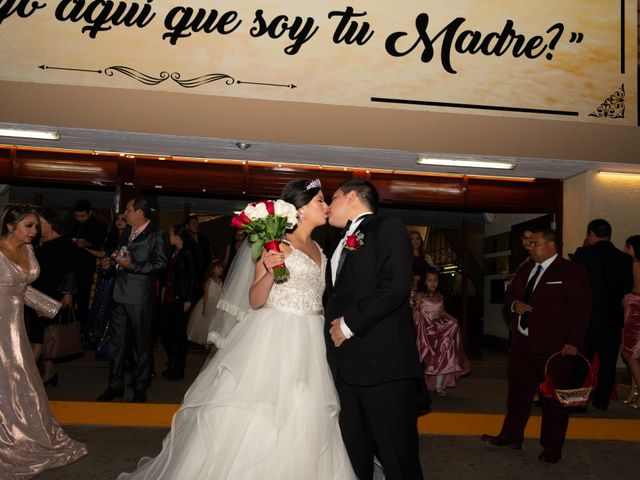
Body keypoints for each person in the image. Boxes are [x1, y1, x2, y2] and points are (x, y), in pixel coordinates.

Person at [118, 178, 355, 479]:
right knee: (262, 412)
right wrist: (269, 270)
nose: (326, 205)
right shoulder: (277, 244)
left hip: (311, 338)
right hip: (276, 336)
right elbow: (255, 300)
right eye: (320, 200)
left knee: (306, 411)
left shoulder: (321, 249)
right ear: (301, 209)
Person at [325, 179, 424, 480]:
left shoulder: (387, 227)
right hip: (345, 368)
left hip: (383, 366)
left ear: (351, 196)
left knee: (398, 456)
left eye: (332, 198)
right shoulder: (336, 241)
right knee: (355, 454)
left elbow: (394, 286)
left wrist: (349, 324)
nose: (328, 206)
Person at [481, 228, 591, 464]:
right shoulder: (526, 268)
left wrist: (573, 342)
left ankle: (551, 448)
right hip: (522, 343)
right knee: (518, 394)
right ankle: (511, 436)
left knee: (553, 401)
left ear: (551, 246)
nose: (530, 246)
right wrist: (515, 306)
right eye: (529, 243)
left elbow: (582, 311)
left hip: (555, 348)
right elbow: (510, 295)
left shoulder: (572, 271)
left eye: (535, 243)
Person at [0, 204, 87, 478]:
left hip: (14, 328)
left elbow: (20, 289)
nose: (35, 231)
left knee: (20, 380)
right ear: (10, 226)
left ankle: (24, 434)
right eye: (29, 226)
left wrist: (50, 307)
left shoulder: (28, 249)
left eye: (36, 226)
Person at [97, 196, 169, 403]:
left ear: (140, 211)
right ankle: (115, 385)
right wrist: (109, 266)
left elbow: (160, 266)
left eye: (128, 209)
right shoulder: (126, 232)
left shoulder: (157, 235)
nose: (124, 213)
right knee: (117, 344)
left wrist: (132, 266)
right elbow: (120, 257)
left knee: (141, 345)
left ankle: (140, 387)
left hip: (140, 298)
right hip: (119, 295)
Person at [571, 219, 633, 410]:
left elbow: (576, 285)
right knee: (608, 363)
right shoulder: (624, 258)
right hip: (614, 318)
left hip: (590, 317)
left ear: (591, 234)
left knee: (582, 361)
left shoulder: (584, 254)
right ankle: (602, 401)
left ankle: (576, 401)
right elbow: (627, 287)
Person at [28, 207, 76, 386]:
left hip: (52, 294)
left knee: (38, 335)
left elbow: (70, 271)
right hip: (35, 293)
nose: (37, 227)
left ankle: (26, 377)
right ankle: (49, 373)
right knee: (44, 335)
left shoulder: (64, 243)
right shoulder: (40, 241)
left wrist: (68, 294)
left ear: (51, 223)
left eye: (40, 223)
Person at [413, 267, 470, 396]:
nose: (433, 283)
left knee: (444, 354)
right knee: (425, 357)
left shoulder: (440, 296)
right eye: (430, 280)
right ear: (425, 282)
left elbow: (442, 312)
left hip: (439, 329)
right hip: (425, 332)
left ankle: (439, 386)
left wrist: (452, 319)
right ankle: (419, 385)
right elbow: (415, 311)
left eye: (435, 280)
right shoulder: (420, 295)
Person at [83, 212, 128, 354]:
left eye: (123, 220)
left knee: (112, 310)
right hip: (106, 277)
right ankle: (96, 339)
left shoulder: (130, 240)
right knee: (101, 306)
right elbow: (104, 254)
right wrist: (86, 248)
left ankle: (109, 344)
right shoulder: (112, 237)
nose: (119, 222)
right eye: (117, 220)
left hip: (118, 278)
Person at [159, 223, 197, 381]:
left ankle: (178, 367)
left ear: (177, 237)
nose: (168, 237)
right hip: (169, 297)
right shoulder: (174, 252)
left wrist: (188, 297)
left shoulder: (187, 253)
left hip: (180, 298)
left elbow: (192, 277)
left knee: (179, 334)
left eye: (170, 234)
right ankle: (173, 361)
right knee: (165, 332)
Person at [68, 199, 107, 327]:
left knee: (83, 299)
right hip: (71, 265)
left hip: (86, 265)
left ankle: (81, 328)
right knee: (68, 297)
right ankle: (67, 326)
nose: (80, 218)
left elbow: (101, 246)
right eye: (77, 215)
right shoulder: (71, 223)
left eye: (82, 216)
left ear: (89, 213)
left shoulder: (99, 225)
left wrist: (87, 244)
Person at [186, 259, 224, 345]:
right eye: (218, 267)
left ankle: (214, 341)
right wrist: (204, 308)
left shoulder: (221, 281)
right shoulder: (209, 281)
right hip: (209, 302)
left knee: (216, 323)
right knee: (207, 324)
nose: (221, 269)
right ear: (213, 269)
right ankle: (206, 341)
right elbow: (206, 295)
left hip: (218, 303)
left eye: (221, 267)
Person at [622, 235, 640, 408]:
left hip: (635, 309)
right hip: (634, 306)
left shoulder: (633, 264)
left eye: (628, 247)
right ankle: (634, 391)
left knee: (629, 352)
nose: (625, 250)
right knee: (635, 352)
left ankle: (638, 390)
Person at [185, 214, 211, 292]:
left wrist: (207, 276)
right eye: (193, 223)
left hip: (203, 276)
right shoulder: (184, 241)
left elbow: (208, 257)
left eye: (197, 223)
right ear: (187, 226)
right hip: (188, 277)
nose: (196, 225)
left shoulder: (204, 239)